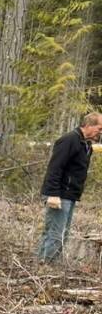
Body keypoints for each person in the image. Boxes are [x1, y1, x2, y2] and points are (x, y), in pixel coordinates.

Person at [36, 112, 102, 264]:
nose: (100, 132)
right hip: (59, 194)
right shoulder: (68, 140)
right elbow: (55, 168)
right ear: (89, 125)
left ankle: (40, 264)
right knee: (56, 234)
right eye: (99, 128)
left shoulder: (86, 145)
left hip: (70, 195)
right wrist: (52, 194)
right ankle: (46, 268)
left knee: (60, 233)